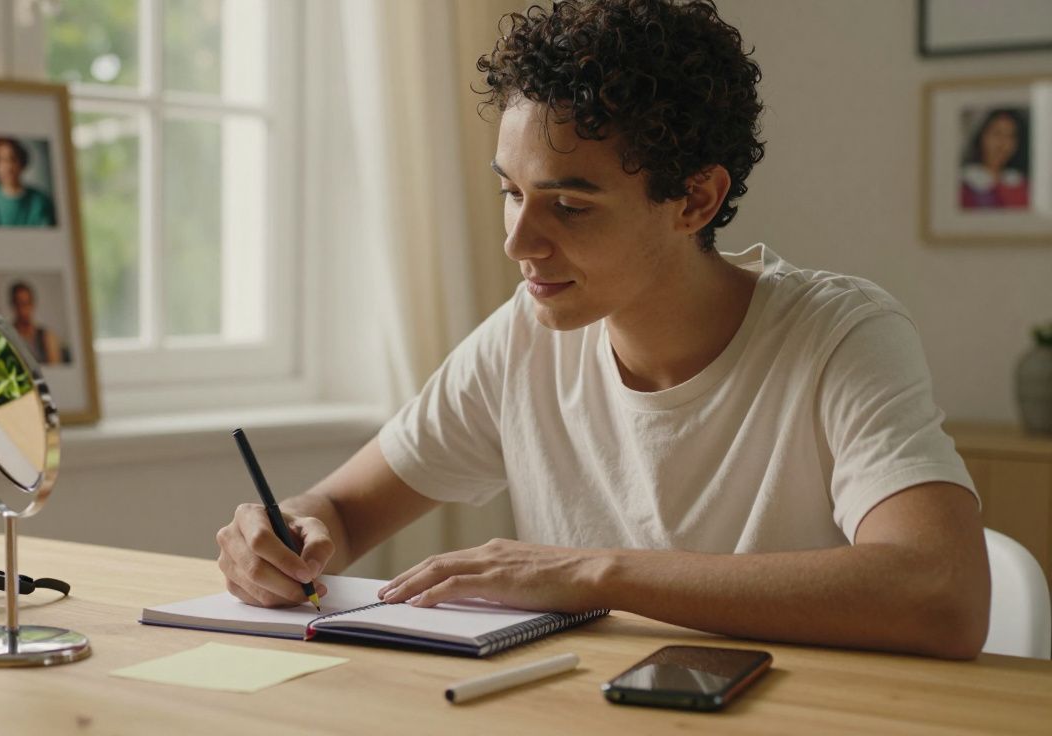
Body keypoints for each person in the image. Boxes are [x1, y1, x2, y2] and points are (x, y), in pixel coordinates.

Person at [215, 0, 989, 660]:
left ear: (694, 201)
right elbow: (344, 512)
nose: (519, 242)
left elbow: (941, 593)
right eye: (510, 193)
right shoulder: (523, 340)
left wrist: (594, 573)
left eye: (570, 206)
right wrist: (287, 534)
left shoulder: (839, 336)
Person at [959, 108, 1029, 210]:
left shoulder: (1022, 185)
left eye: (1010, 136)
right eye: (997, 134)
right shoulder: (963, 184)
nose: (1002, 143)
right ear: (982, 137)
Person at [9, 281, 64, 365]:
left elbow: (56, 368)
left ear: (32, 304)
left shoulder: (47, 337)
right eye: (19, 304)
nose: (23, 310)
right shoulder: (7, 338)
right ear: (13, 305)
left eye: (26, 303)